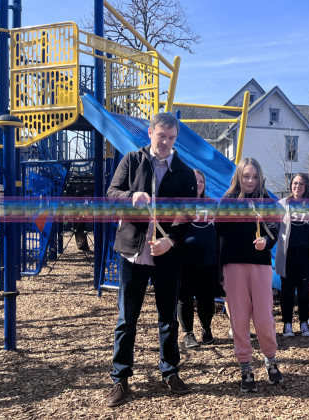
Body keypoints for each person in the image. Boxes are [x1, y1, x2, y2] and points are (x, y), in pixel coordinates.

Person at [105, 113, 198, 407]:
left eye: (172, 138)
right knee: (126, 320)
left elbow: (189, 214)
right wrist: (131, 196)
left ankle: (170, 372)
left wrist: (170, 240)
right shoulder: (132, 160)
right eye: (162, 136)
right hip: (132, 252)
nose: (166, 143)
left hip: (167, 257)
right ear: (150, 133)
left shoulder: (184, 171)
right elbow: (111, 194)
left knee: (168, 318)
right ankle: (120, 378)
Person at [216, 157, 282, 392]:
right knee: (240, 319)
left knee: (264, 318)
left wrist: (266, 239)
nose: (251, 181)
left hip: (260, 265)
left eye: (254, 176)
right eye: (246, 176)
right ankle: (245, 365)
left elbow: (274, 229)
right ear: (238, 177)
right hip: (234, 265)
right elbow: (220, 231)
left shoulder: (267, 201)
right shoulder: (228, 201)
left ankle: (271, 360)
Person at [274, 173, 309, 337]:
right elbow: (275, 227)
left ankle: (304, 323)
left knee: (304, 290)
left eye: (301, 184)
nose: (297, 186)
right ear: (291, 185)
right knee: (287, 291)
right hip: (287, 254)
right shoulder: (282, 205)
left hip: (306, 255)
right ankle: (287, 325)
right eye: (295, 183)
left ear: (306, 186)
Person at [178, 169, 220, 349]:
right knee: (185, 298)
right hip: (185, 260)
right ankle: (188, 333)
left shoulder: (212, 204)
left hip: (208, 260)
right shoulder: (181, 204)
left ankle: (206, 328)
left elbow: (220, 231)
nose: (198, 184)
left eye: (201, 181)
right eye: (195, 181)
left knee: (206, 298)